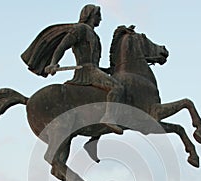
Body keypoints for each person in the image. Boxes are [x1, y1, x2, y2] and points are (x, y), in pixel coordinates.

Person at [22, 4, 124, 135]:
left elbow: (94, 63)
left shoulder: (94, 35)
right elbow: (62, 46)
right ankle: (109, 117)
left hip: (93, 70)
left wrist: (107, 70)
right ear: (90, 15)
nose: (101, 19)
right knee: (117, 88)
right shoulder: (80, 29)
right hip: (87, 72)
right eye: (98, 15)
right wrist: (54, 63)